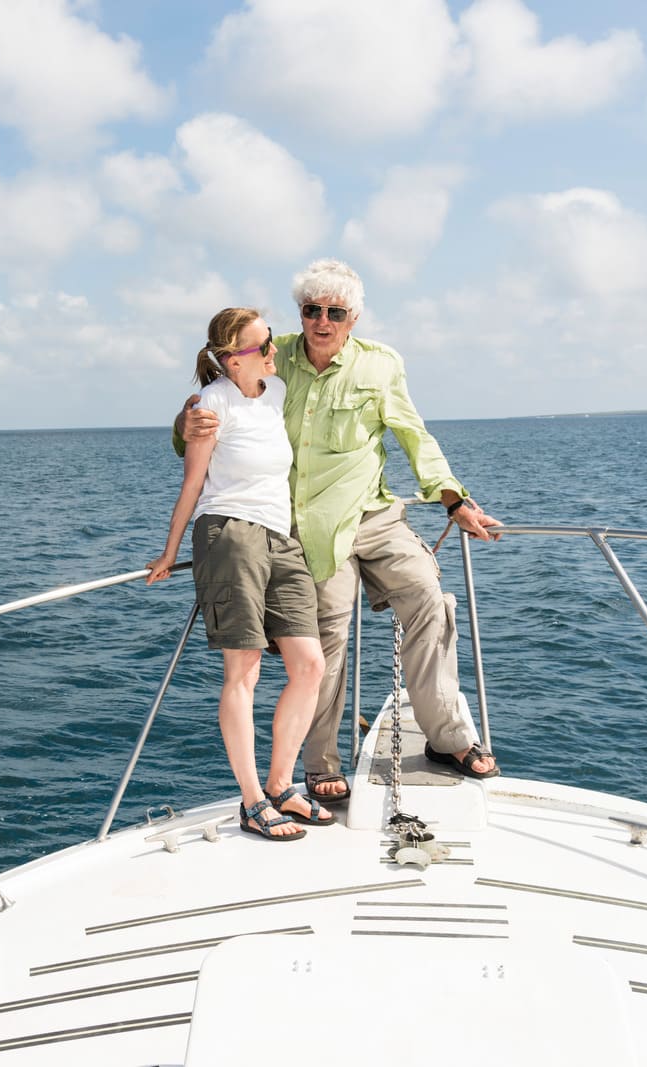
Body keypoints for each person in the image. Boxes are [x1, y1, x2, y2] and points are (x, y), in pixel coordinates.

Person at [176, 260, 502, 802]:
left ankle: (447, 737)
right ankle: (319, 762)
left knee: (429, 596)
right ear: (300, 313)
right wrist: (183, 423)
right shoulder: (271, 356)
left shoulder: (380, 365)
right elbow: (213, 406)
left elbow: (413, 436)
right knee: (325, 634)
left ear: (353, 318)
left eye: (335, 312)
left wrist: (453, 499)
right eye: (311, 310)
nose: (322, 321)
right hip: (311, 528)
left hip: (374, 516)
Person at [147, 308, 331, 842]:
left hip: (281, 536)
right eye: (263, 346)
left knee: (309, 665)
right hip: (229, 532)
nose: (274, 351)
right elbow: (192, 483)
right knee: (244, 670)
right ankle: (252, 801)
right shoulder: (212, 404)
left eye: (271, 341)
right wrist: (169, 551)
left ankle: (280, 786)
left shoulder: (273, 394)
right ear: (233, 359)